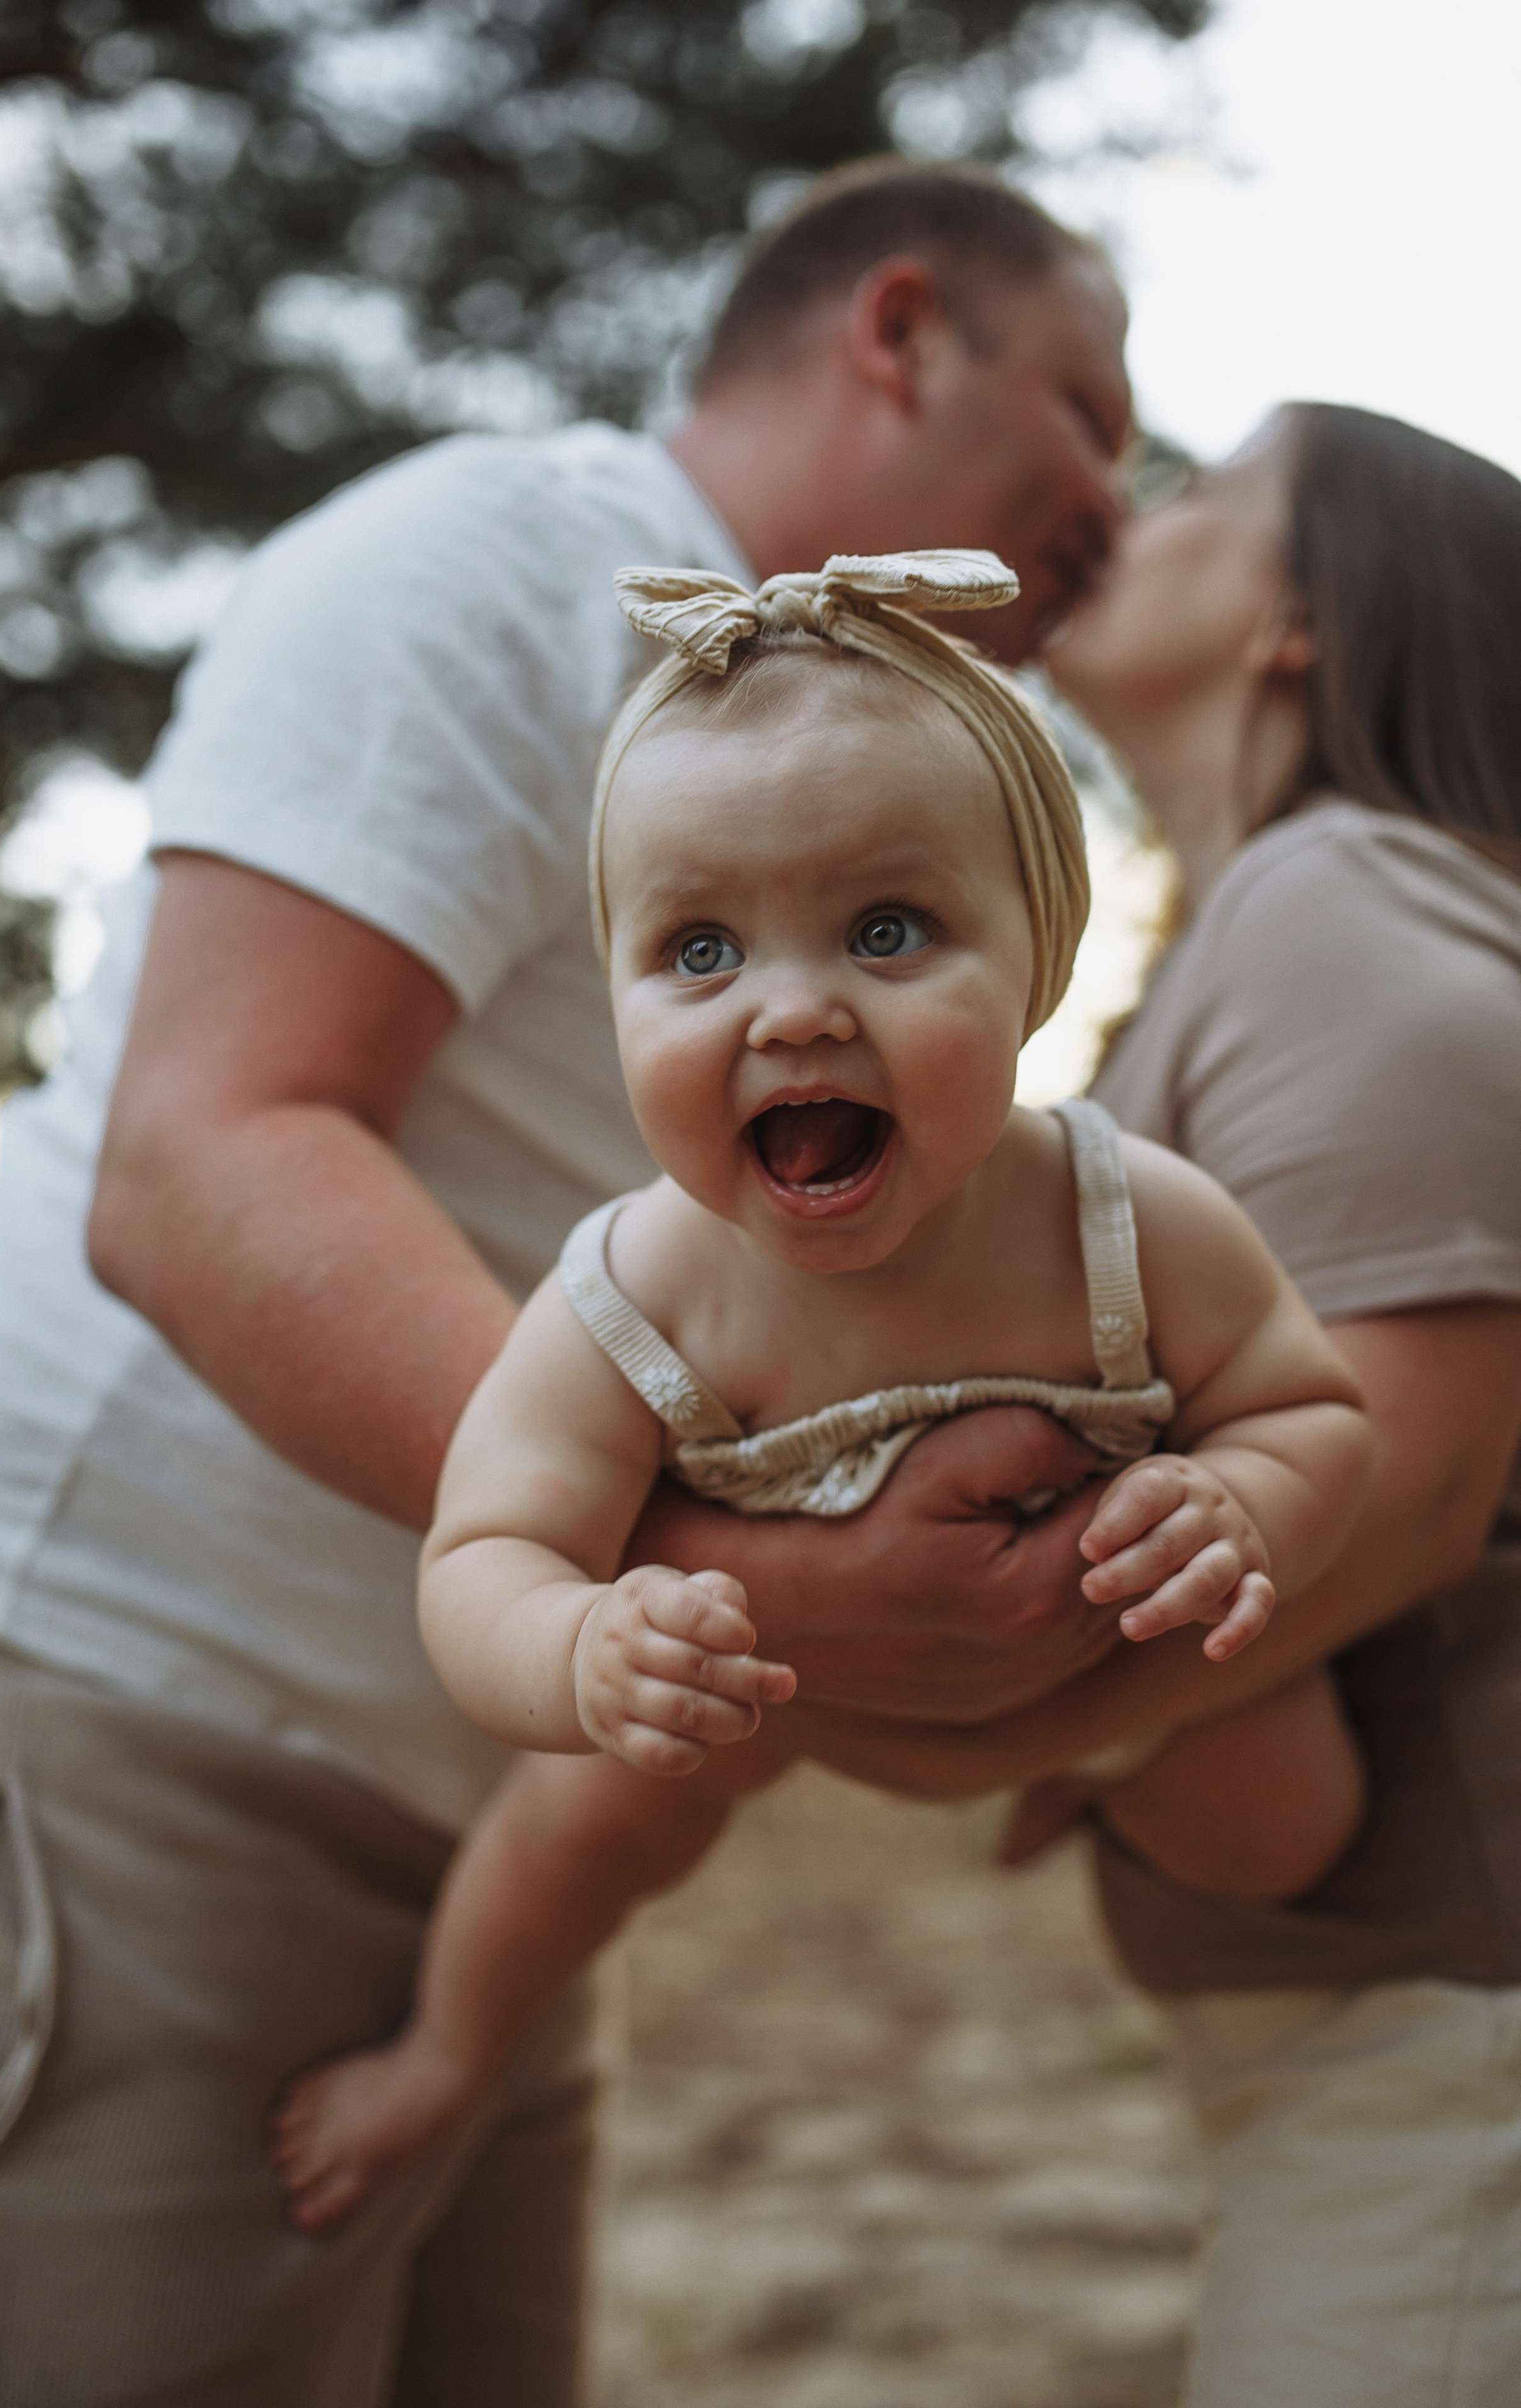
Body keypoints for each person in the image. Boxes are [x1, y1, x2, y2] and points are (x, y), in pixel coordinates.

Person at [0, 164, 1141, 2407]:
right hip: (142, 1711)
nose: (1117, 508)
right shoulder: (493, 565)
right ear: (903, 332)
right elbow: (205, 1157)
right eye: (1092, 412)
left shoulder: (875, 820)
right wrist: (735, 1592)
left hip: (502, 1804)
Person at [266, 546, 1371, 2232]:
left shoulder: (1126, 1218)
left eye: (885, 929)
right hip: (744, 1685)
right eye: (699, 950)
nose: (793, 1010)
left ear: (1039, 952)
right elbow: (482, 1555)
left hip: (1100, 1628)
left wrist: (1237, 1506)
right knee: (582, 1831)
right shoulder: (633, 1293)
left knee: (1287, 1827)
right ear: (617, 988)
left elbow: (1313, 1410)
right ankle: (442, 2048)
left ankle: (1079, 1795)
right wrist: (582, 1649)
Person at [800, 406, 1521, 2407]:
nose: (1128, 510)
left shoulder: (1341, 900)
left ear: (1302, 615)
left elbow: (1417, 1484)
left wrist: (985, 1727)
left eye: (1206, 492)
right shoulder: (1263, 936)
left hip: (1460, 2040)